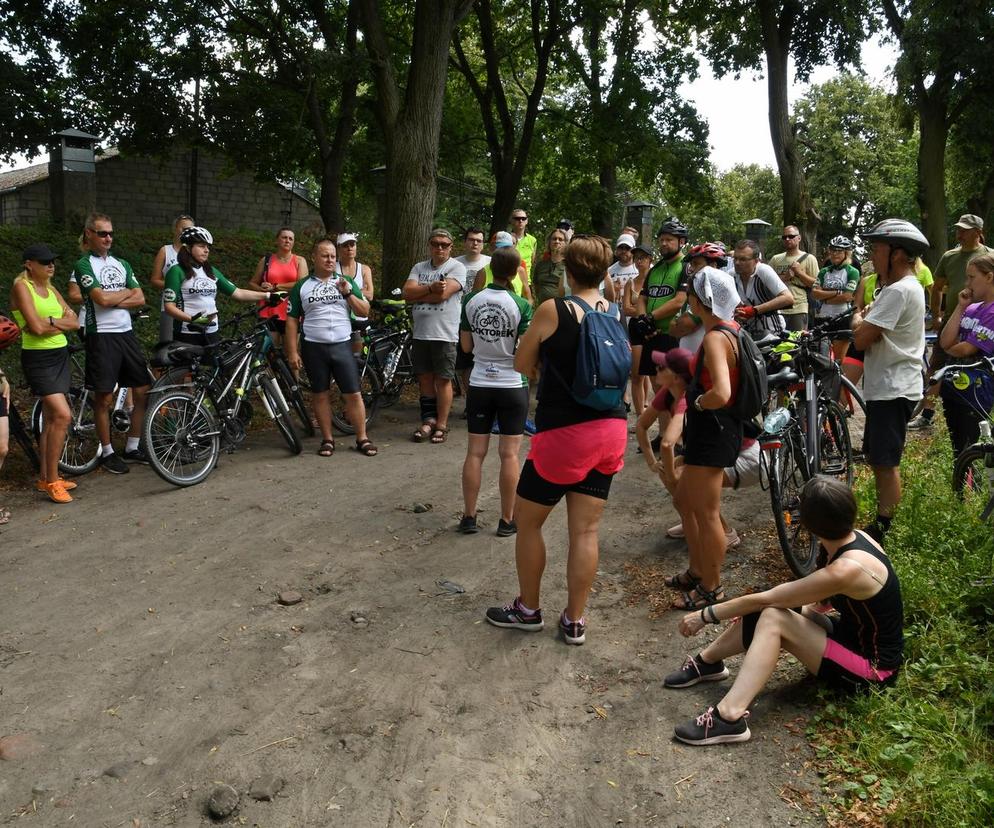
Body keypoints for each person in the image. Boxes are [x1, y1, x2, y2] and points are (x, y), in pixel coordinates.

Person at [665, 476, 904, 746]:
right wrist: (791, 618)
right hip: (848, 635)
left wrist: (705, 615)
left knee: (772, 615)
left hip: (873, 669)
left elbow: (770, 598)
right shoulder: (851, 538)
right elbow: (820, 600)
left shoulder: (847, 568)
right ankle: (709, 662)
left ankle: (729, 718)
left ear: (810, 524)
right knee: (771, 609)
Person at [485, 235, 627, 646]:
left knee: (528, 523)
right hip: (610, 431)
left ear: (567, 268)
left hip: (564, 435)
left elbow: (521, 362)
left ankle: (528, 609)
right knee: (585, 532)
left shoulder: (554, 309)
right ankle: (575, 621)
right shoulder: (614, 312)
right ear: (604, 272)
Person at [852, 219, 928, 542]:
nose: (872, 255)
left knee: (885, 461)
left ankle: (886, 528)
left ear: (897, 254)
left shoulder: (899, 290)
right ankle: (884, 520)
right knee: (879, 457)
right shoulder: (901, 289)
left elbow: (860, 339)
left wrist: (859, 318)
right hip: (891, 385)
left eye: (877, 249)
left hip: (893, 387)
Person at [672, 267, 744, 609]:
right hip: (714, 430)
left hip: (713, 429)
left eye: (691, 295)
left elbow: (722, 392)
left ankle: (712, 586)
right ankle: (697, 570)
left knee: (708, 512)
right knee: (687, 502)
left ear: (702, 301)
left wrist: (698, 403)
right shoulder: (731, 329)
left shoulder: (715, 338)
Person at [458, 246, 532, 536]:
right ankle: (506, 519)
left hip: (479, 382)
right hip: (512, 383)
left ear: (489, 269)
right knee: (509, 455)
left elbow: (466, 347)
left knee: (475, 453)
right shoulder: (521, 305)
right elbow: (523, 351)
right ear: (515, 272)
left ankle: (469, 516)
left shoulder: (471, 300)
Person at [285, 239, 377, 457]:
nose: (330, 260)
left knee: (353, 393)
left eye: (333, 256)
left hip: (342, 344)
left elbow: (364, 311)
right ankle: (327, 439)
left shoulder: (344, 282)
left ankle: (362, 438)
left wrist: (347, 294)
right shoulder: (302, 286)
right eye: (325, 256)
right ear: (314, 258)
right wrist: (292, 351)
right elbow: (291, 320)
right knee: (320, 394)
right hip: (314, 347)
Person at [74, 212, 150, 474]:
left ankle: (132, 446)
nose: (108, 238)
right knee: (104, 397)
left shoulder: (122, 263)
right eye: (102, 233)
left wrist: (115, 296)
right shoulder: (83, 265)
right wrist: (125, 293)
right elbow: (101, 301)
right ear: (89, 235)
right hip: (101, 335)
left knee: (141, 390)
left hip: (126, 333)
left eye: (110, 233)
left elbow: (140, 298)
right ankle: (107, 452)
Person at [10, 244, 78, 502]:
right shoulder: (21, 287)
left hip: (59, 355)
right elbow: (35, 329)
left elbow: (75, 321)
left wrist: (51, 323)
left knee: (52, 419)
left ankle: (46, 478)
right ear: (29, 263)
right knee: (62, 416)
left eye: (53, 261)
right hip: (38, 358)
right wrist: (56, 323)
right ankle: (52, 481)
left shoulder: (50, 288)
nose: (51, 265)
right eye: (45, 261)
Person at [912, 214, 992, 430]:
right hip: (955, 317)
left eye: (965, 230)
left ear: (978, 232)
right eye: (958, 229)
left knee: (974, 367)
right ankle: (927, 414)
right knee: (937, 366)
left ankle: (975, 416)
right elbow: (937, 287)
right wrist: (937, 315)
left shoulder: (989, 256)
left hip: (983, 319)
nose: (959, 234)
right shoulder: (949, 256)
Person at [403, 229, 469, 444]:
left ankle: (441, 424)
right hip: (421, 333)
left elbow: (443, 295)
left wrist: (420, 294)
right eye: (435, 243)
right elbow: (406, 293)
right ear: (430, 245)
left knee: (443, 380)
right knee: (424, 379)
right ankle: (428, 420)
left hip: (444, 334)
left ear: (451, 247)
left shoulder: (457, 267)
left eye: (444, 244)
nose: (439, 247)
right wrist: (429, 288)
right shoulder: (418, 267)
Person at [163, 227, 271, 346]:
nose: (206, 250)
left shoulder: (211, 271)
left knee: (214, 364)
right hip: (187, 331)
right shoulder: (176, 271)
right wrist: (192, 319)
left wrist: (268, 296)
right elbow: (169, 306)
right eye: (201, 246)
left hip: (211, 330)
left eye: (208, 247)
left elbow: (238, 293)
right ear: (188, 248)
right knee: (188, 365)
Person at [936, 252, 994, 455]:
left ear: (989, 277)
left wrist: (952, 347)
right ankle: (959, 486)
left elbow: (966, 349)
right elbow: (945, 340)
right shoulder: (972, 308)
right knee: (957, 447)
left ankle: (972, 486)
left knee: (971, 448)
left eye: (972, 277)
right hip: (954, 386)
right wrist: (961, 307)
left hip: (977, 392)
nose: (967, 282)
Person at [634, 217, 690, 392]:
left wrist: (650, 317)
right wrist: (643, 320)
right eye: (661, 240)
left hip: (672, 336)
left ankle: (678, 420)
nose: (664, 243)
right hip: (651, 335)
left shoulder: (686, 266)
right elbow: (643, 298)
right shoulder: (655, 269)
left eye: (669, 240)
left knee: (673, 391)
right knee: (657, 389)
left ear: (681, 242)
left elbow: (679, 301)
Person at [249, 227, 308, 347]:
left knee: (291, 354)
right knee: (269, 354)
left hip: (292, 312)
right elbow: (252, 283)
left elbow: (302, 285)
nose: (287, 241)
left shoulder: (299, 261)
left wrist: (276, 286)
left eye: (291, 239)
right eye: (284, 237)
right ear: (277, 240)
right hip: (267, 312)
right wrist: (261, 289)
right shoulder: (266, 260)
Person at [454, 228, 491, 400]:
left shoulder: (491, 263)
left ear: (483, 244)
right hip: (460, 319)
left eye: (478, 240)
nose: (475, 243)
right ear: (465, 242)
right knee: (466, 363)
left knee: (483, 362)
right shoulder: (454, 263)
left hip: (485, 320)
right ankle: (471, 401)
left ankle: (485, 401)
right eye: (471, 239)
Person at [730, 239, 793, 336]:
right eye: (735, 258)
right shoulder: (731, 275)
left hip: (772, 332)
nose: (737, 263)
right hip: (746, 333)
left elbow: (788, 298)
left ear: (756, 261)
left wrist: (754, 310)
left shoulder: (763, 271)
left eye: (743, 259)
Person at [811, 236, 860, 361]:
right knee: (821, 360)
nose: (834, 254)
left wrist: (824, 297)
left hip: (842, 318)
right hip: (822, 318)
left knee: (838, 361)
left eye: (839, 251)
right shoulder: (824, 271)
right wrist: (836, 292)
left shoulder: (852, 271)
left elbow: (847, 296)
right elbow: (814, 293)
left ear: (846, 253)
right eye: (832, 250)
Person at [149, 214, 195, 345]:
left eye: (190, 229)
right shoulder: (165, 251)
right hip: (170, 306)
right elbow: (155, 280)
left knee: (189, 346)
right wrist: (174, 286)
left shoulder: (195, 253)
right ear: (175, 229)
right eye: (184, 228)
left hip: (192, 307)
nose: (187, 232)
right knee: (167, 345)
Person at [768, 225, 819, 331]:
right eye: (784, 237)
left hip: (799, 308)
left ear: (799, 238)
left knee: (797, 342)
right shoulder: (775, 259)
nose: (787, 239)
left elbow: (816, 284)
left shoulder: (809, 258)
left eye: (791, 236)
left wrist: (799, 273)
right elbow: (765, 282)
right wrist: (784, 277)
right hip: (777, 308)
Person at [624, 244, 654, 414]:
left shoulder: (655, 280)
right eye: (636, 257)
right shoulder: (631, 282)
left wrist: (638, 309)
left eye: (643, 257)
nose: (639, 260)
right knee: (637, 374)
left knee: (651, 373)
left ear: (650, 259)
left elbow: (632, 307)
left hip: (653, 327)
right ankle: (640, 415)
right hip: (636, 327)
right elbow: (625, 308)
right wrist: (645, 311)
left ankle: (648, 407)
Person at [334, 232, 375, 353]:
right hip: (338, 321)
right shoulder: (333, 268)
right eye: (345, 245)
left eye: (352, 244)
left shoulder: (364, 269)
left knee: (358, 360)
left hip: (360, 321)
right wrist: (360, 292)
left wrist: (347, 291)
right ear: (339, 248)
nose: (349, 248)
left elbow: (370, 295)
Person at [475, 232, 531, 299]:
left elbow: (529, 299)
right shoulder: (483, 273)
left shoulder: (520, 271)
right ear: (491, 248)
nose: (503, 252)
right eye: (499, 248)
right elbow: (472, 300)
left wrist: (522, 308)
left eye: (507, 248)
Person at [531, 228, 568, 306]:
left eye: (560, 239)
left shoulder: (569, 266)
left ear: (565, 243)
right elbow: (536, 285)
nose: (557, 241)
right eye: (554, 239)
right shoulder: (540, 265)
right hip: (542, 307)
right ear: (549, 242)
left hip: (562, 308)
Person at [607, 233, 639, 301]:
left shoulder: (642, 268)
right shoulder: (609, 271)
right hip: (615, 309)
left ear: (634, 250)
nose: (624, 251)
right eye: (621, 247)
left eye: (627, 248)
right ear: (616, 249)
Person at [509, 208, 538, 277]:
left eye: (523, 218)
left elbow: (532, 261)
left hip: (526, 281)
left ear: (527, 221)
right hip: (509, 280)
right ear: (511, 221)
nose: (520, 221)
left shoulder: (533, 240)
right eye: (517, 218)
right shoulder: (505, 238)